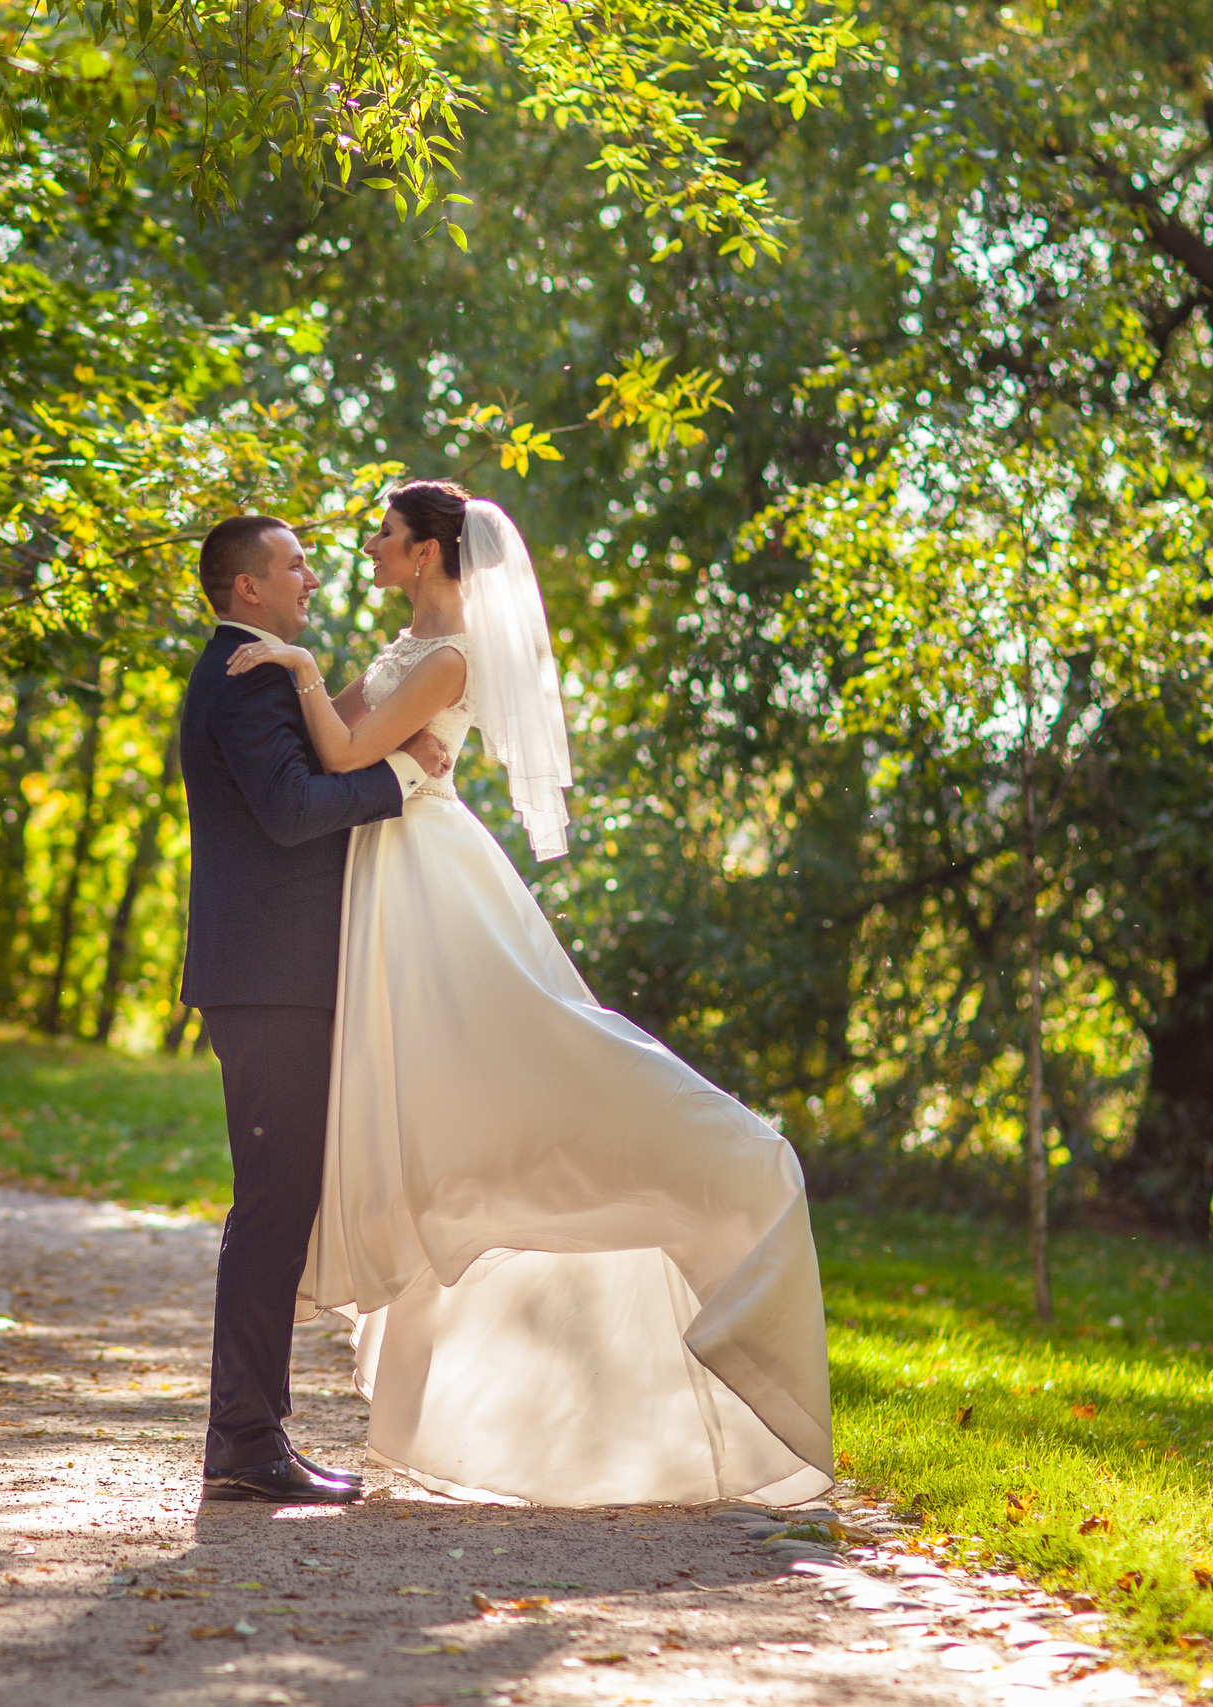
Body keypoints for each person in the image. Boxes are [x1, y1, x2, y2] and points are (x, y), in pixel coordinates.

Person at [222, 480, 834, 1508]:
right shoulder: (409, 648)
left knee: (530, 1051)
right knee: (431, 1104)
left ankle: (732, 1167)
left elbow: (335, 750)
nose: (367, 547)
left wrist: (301, 668)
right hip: (387, 875)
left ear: (425, 554)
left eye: (384, 533)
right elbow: (349, 740)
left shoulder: (450, 654)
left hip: (426, 877)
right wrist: (321, 687)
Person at [177, 513, 455, 1504]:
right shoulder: (246, 681)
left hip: (273, 978)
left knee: (276, 1204)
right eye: (292, 565)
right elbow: (296, 812)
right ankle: (245, 1442)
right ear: (247, 588)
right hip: (267, 981)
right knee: (270, 1208)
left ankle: (247, 1436)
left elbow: (307, 774)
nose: (311, 578)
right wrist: (406, 776)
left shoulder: (257, 671)